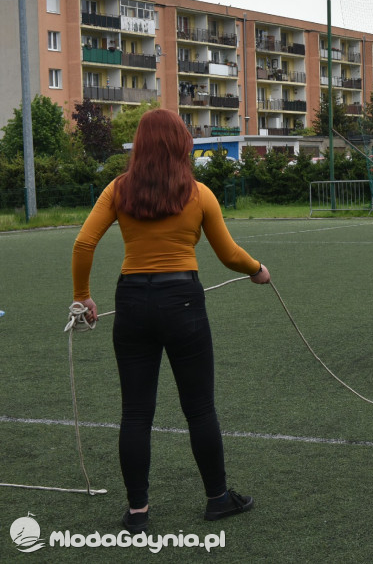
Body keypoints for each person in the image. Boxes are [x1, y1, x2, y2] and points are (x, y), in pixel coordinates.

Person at [71, 109, 270, 534]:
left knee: (136, 413)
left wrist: (82, 296)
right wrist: (257, 268)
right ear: (181, 144)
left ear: (139, 146)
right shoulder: (198, 193)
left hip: (132, 302)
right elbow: (229, 253)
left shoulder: (117, 189)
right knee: (199, 408)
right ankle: (217, 499)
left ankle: (138, 513)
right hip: (183, 301)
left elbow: (84, 241)